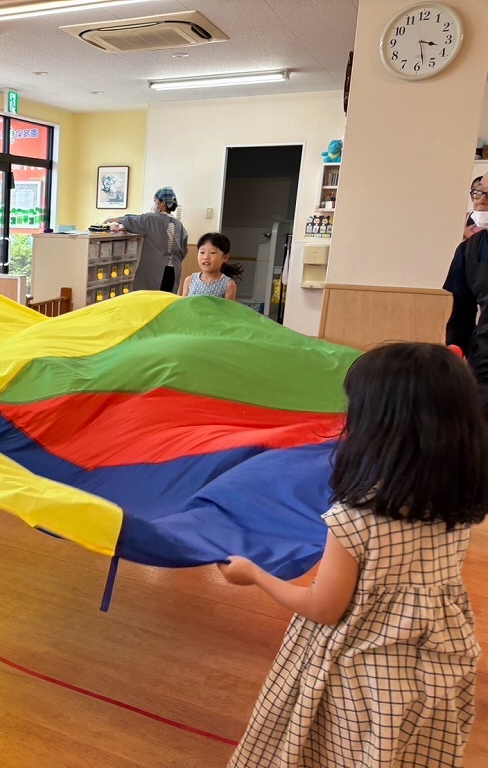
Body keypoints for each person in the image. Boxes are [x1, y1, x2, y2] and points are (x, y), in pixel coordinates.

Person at [219, 342, 487, 767]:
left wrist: (253, 574)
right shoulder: (460, 503)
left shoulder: (357, 516)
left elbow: (324, 608)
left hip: (358, 678)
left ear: (378, 427)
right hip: (435, 665)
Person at [445, 175, 488, 408]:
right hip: (483, 361)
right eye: (478, 192)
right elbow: (462, 313)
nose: (481, 201)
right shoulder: (468, 250)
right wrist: (454, 352)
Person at [105, 186, 188, 293]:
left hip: (157, 270)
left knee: (151, 298)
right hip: (174, 270)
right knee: (167, 299)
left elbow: (131, 221)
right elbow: (183, 251)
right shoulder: (178, 224)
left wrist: (109, 220)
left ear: (163, 203)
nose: (153, 203)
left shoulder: (151, 219)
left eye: (155, 200)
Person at [180, 232, 242, 299]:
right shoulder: (190, 280)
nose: (206, 257)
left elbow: (229, 305)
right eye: (202, 252)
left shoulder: (228, 284)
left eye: (212, 253)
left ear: (225, 257)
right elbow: (184, 303)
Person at [463, 175, 483, 241]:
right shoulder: (467, 216)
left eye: (480, 190)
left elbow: (481, 241)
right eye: (474, 190)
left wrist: (465, 231)